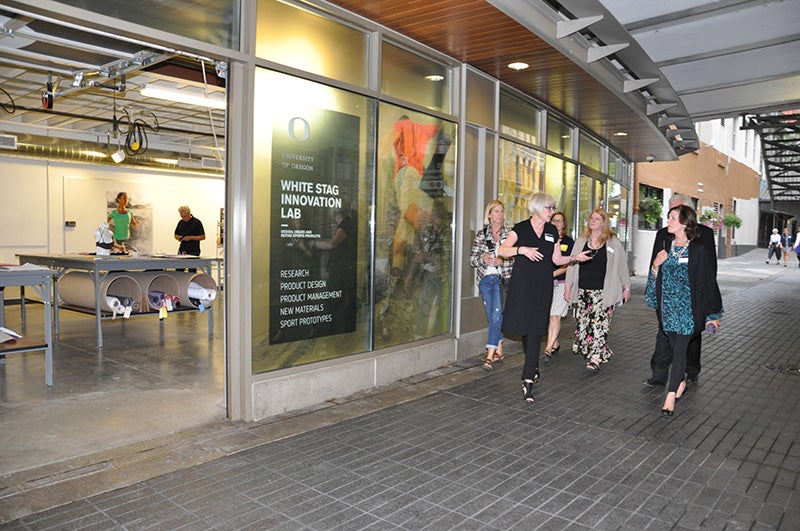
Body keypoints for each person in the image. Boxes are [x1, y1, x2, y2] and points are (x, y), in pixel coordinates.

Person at [498, 193, 591, 403]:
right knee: (524, 327)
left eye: (553, 207)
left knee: (537, 329)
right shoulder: (520, 228)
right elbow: (502, 249)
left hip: (543, 286)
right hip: (522, 286)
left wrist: (575, 258)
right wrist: (522, 250)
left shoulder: (551, 231)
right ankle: (533, 366)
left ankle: (528, 378)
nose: (552, 211)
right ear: (539, 208)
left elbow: (556, 258)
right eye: (549, 207)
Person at [646, 205, 723, 417]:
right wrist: (655, 265)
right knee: (674, 347)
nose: (668, 221)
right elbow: (654, 279)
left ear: (684, 222)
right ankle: (680, 382)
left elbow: (708, 282)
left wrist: (713, 314)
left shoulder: (698, 250)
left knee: (679, 351)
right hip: (668, 310)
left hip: (689, 310)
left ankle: (670, 397)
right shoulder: (665, 247)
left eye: (672, 218)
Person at [564, 208, 631, 373]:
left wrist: (626, 287)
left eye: (597, 219)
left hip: (604, 292)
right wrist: (567, 286)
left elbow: (622, 265)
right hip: (584, 292)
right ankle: (600, 350)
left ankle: (595, 358)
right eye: (591, 218)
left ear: (604, 222)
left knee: (600, 325)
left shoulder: (612, 241)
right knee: (585, 325)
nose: (592, 221)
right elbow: (572, 265)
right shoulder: (581, 241)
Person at [469, 200, 513, 371]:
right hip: (486, 280)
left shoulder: (510, 234)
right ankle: (500, 349)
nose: (500, 215)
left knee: (495, 316)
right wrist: (483, 259)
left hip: (501, 279)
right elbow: (472, 259)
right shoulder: (482, 234)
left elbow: (516, 257)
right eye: (496, 211)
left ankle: (489, 355)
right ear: (489, 214)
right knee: (492, 316)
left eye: (502, 211)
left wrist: (503, 259)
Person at [310, 208, 357, 334]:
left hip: (341, 272)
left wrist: (312, 243)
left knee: (336, 301)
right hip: (340, 270)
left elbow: (332, 244)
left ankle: (334, 329)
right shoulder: (344, 224)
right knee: (337, 300)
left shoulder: (346, 224)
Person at [544, 211, 574, 360]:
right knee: (547, 316)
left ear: (564, 224)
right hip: (545, 283)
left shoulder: (569, 242)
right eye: (554, 220)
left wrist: (554, 274)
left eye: (560, 221)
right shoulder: (545, 240)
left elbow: (570, 264)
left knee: (555, 316)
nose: (556, 223)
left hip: (562, 283)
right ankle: (554, 343)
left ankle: (548, 349)